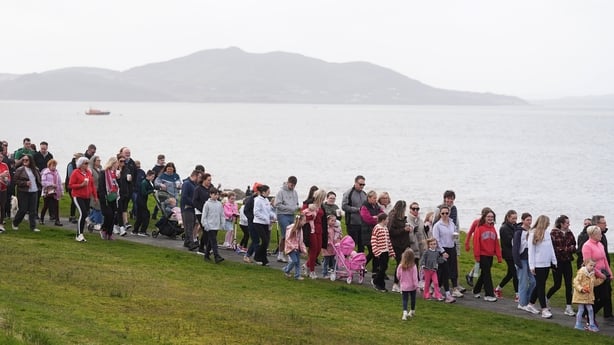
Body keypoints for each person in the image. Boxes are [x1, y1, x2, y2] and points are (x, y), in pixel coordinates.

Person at [582, 221, 613, 324]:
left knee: (605, 297)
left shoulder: (600, 244)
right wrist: (600, 275)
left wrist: (609, 273)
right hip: (593, 275)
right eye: (599, 234)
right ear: (592, 235)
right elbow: (588, 264)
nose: (601, 235)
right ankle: (589, 316)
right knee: (595, 297)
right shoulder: (587, 246)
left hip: (604, 274)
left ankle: (590, 314)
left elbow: (604, 260)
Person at [546, 215, 577, 317]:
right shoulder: (553, 234)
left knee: (569, 284)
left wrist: (566, 249)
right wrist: (567, 249)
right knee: (557, 284)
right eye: (567, 223)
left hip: (567, 261)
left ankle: (568, 307)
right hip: (557, 262)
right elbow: (556, 249)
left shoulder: (569, 233)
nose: (569, 224)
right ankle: (547, 298)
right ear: (561, 224)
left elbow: (574, 245)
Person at [528, 215, 557, 319]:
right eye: (547, 222)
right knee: (541, 286)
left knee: (540, 284)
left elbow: (551, 249)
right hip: (537, 264)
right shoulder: (533, 234)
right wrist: (532, 265)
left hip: (546, 264)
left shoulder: (548, 234)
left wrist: (554, 261)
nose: (549, 224)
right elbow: (530, 251)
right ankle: (544, 309)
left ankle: (530, 304)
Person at [472, 209, 502, 302]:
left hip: (490, 256)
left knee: (484, 273)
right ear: (484, 217)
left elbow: (496, 243)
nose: (490, 218)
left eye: (492, 217)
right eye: (488, 217)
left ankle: (476, 290)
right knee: (487, 275)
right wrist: (477, 256)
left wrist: (499, 256)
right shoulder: (479, 228)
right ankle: (489, 294)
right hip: (482, 255)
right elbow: (476, 243)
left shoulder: (493, 228)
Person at [432, 205, 461, 302]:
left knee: (451, 269)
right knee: (442, 271)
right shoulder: (437, 225)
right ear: (440, 214)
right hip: (442, 249)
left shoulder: (452, 223)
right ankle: (442, 291)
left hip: (451, 248)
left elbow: (454, 235)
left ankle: (443, 289)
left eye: (446, 213)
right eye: (443, 213)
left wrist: (455, 239)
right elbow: (436, 240)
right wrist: (442, 251)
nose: (445, 215)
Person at [513, 213, 538, 314]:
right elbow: (516, 247)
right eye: (527, 220)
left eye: (530, 220)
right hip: (522, 259)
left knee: (533, 281)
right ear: (523, 220)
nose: (529, 222)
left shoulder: (532, 231)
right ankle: (522, 303)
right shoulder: (518, 232)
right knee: (523, 282)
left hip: (530, 260)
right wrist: (517, 261)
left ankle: (527, 300)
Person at [68, 157, 97, 242]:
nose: (87, 165)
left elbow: (92, 185)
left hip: (87, 197)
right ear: (80, 164)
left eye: (88, 163)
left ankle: (82, 231)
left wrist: (95, 196)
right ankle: (79, 234)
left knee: (85, 214)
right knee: (83, 213)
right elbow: (70, 185)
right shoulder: (75, 172)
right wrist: (81, 185)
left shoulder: (88, 173)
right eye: (85, 163)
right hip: (78, 196)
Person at [572, 258, 605, 332]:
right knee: (581, 309)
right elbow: (576, 282)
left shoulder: (592, 273)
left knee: (590, 309)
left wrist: (602, 279)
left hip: (588, 296)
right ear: (585, 264)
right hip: (581, 295)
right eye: (591, 265)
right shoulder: (581, 272)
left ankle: (591, 324)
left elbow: (594, 283)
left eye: (594, 266)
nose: (592, 267)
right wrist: (581, 289)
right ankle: (578, 324)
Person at [11, 154, 41, 232]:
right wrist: (25, 183)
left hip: (34, 191)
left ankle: (33, 227)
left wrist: (39, 187)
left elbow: (38, 179)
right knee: (23, 210)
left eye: (26, 160)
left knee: (33, 211)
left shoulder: (35, 169)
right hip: (23, 192)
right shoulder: (20, 170)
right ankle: (15, 223)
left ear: (30, 161)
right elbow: (15, 181)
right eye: (23, 160)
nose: (24, 161)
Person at [387, 200, 412, 293]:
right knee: (400, 264)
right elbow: (391, 232)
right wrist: (403, 230)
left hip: (404, 243)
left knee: (403, 264)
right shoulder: (393, 218)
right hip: (397, 244)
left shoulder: (402, 219)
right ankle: (395, 283)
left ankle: (400, 283)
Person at [274, 176, 299, 263]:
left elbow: (296, 203)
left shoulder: (295, 192)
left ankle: (282, 253)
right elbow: (277, 204)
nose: (292, 187)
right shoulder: (281, 192)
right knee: (286, 235)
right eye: (291, 185)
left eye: (294, 185)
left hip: (291, 215)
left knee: (289, 235)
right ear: (288, 182)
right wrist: (288, 208)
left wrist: (295, 208)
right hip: (282, 215)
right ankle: (286, 255)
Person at [495, 210, 518, 301]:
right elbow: (508, 242)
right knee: (515, 273)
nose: (514, 220)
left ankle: (498, 289)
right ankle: (518, 294)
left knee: (510, 274)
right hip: (508, 254)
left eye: (516, 218)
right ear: (508, 217)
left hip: (514, 253)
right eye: (513, 218)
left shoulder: (515, 226)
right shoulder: (504, 228)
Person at [303, 189, 326, 278]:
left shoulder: (321, 206)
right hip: (312, 229)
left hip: (320, 229)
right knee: (313, 249)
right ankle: (312, 271)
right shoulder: (311, 205)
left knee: (318, 249)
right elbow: (304, 215)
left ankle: (307, 265)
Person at [360, 190, 384, 273]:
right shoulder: (364, 207)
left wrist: (376, 218)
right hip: (367, 232)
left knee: (375, 252)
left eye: (376, 198)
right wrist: (376, 219)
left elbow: (382, 215)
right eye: (374, 198)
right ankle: (362, 265)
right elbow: (367, 219)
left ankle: (374, 269)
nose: (375, 200)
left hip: (375, 231)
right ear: (369, 198)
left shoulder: (377, 206)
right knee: (372, 251)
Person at [98, 156, 121, 240]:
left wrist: (118, 178)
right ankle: (104, 229)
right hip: (106, 196)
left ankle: (109, 233)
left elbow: (118, 185)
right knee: (109, 214)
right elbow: (101, 186)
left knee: (113, 215)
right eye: (116, 163)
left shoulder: (116, 173)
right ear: (113, 163)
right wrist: (103, 197)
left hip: (114, 196)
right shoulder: (103, 173)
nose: (117, 165)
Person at [253, 185, 277, 266]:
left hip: (266, 224)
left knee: (266, 242)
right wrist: (265, 218)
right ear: (263, 192)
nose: (269, 193)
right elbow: (256, 212)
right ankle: (257, 256)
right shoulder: (257, 200)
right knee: (264, 240)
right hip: (258, 223)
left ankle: (263, 259)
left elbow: (268, 211)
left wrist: (273, 216)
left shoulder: (266, 200)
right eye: (268, 192)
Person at [342, 175, 367, 251]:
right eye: (360, 184)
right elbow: (344, 206)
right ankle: (347, 261)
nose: (362, 186)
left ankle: (360, 262)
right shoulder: (348, 193)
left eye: (363, 184)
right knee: (352, 244)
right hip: (352, 223)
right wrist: (357, 210)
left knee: (361, 245)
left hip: (362, 223)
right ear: (355, 183)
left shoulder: (364, 194)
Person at [371, 213, 395, 292]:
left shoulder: (385, 228)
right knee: (382, 268)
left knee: (384, 268)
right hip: (380, 252)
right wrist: (376, 252)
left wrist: (391, 253)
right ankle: (376, 282)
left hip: (386, 251)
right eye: (387, 219)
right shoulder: (377, 228)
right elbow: (374, 240)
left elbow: (388, 242)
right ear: (383, 220)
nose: (388, 221)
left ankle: (381, 284)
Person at [407, 202, 428, 288]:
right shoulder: (408, 220)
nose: (415, 210)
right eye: (413, 209)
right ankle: (411, 281)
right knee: (412, 263)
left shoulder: (420, 220)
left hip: (420, 244)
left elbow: (423, 232)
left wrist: (426, 242)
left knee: (420, 263)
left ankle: (418, 280)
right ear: (410, 209)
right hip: (411, 245)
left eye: (417, 209)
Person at [202, 188, 225, 263]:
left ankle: (206, 255)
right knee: (214, 241)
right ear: (210, 194)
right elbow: (204, 215)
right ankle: (216, 256)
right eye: (214, 194)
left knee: (210, 241)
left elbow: (222, 215)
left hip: (216, 225)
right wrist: (205, 224)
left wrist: (222, 223)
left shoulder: (219, 204)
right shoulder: (207, 204)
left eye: (217, 195)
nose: (216, 196)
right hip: (209, 225)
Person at [282, 214, 308, 280]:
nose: (305, 222)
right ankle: (286, 270)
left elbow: (301, 241)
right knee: (294, 260)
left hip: (297, 248)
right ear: (299, 221)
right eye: (304, 220)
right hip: (291, 248)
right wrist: (293, 247)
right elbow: (288, 239)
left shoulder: (300, 229)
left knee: (298, 262)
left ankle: (297, 275)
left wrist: (303, 249)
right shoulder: (291, 228)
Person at [194, 173, 214, 255]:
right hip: (200, 212)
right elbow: (195, 201)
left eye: (210, 180)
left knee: (208, 230)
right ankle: (202, 248)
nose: (210, 182)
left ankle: (205, 247)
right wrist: (203, 210)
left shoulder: (210, 189)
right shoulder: (198, 189)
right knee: (205, 229)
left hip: (209, 212)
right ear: (204, 180)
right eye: (208, 180)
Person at [39, 159, 63, 226]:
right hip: (47, 192)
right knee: (46, 205)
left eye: (55, 166)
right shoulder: (45, 173)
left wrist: (61, 191)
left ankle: (57, 220)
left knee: (56, 206)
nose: (54, 167)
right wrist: (51, 184)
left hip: (55, 192)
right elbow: (43, 182)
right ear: (49, 166)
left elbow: (59, 182)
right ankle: (41, 219)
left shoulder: (57, 173)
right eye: (53, 166)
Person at [180, 170, 200, 251]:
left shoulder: (194, 185)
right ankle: (190, 243)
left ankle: (187, 242)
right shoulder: (187, 183)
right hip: (187, 207)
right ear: (195, 176)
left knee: (191, 225)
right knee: (189, 225)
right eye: (199, 177)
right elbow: (184, 197)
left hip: (192, 208)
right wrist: (193, 203)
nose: (200, 179)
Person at [397, 248, 419, 320]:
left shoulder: (401, 266)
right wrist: (416, 286)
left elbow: (398, 275)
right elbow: (415, 278)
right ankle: (412, 310)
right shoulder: (414, 266)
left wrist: (400, 280)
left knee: (405, 299)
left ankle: (404, 312)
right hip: (412, 286)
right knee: (413, 299)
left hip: (404, 286)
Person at [132, 170, 155, 236]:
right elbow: (144, 192)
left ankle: (135, 230)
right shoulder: (144, 182)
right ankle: (142, 231)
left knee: (139, 216)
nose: (153, 178)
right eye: (152, 176)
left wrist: (153, 189)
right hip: (141, 201)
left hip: (141, 201)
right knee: (146, 215)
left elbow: (152, 188)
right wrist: (151, 191)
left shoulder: (148, 182)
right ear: (148, 176)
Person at [87, 155, 103, 231]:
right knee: (97, 207)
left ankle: (89, 218)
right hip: (93, 191)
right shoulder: (90, 170)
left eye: (100, 160)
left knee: (99, 207)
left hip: (100, 191)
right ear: (93, 162)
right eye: (98, 160)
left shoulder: (101, 169)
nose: (99, 161)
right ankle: (98, 223)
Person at [65, 153, 82, 224]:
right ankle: (72, 216)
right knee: (73, 201)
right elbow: (70, 176)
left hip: (78, 185)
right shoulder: (71, 165)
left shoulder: (80, 166)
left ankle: (76, 216)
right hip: (71, 186)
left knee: (76, 201)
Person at [151, 154, 166, 219]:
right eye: (161, 160)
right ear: (158, 160)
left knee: (162, 201)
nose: (162, 161)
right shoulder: (155, 168)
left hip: (164, 187)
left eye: (163, 160)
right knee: (159, 201)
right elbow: (153, 178)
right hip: (157, 187)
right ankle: (158, 214)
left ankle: (156, 214)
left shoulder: (165, 167)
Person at [0, 150, 10, 232]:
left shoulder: (4, 165)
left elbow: (8, 177)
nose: (0, 158)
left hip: (3, 189)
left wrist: (6, 179)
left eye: (1, 157)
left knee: (2, 206)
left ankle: (1, 224)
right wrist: (1, 175)